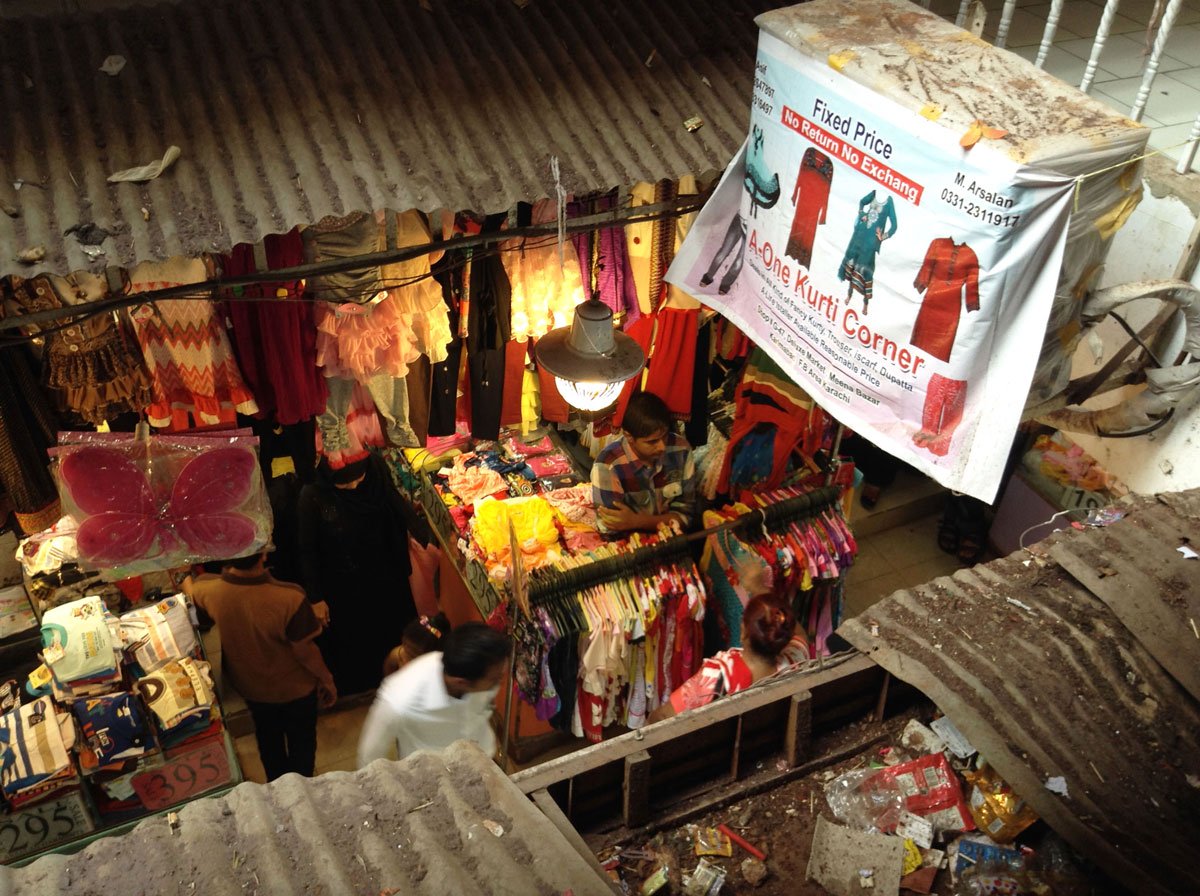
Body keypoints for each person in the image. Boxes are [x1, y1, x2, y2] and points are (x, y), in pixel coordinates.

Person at [185, 552, 336, 781]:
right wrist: (327, 679)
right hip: (295, 688)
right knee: (302, 742)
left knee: (268, 739)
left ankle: (277, 788)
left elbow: (200, 618)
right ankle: (303, 789)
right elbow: (305, 651)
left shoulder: (206, 590)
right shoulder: (289, 597)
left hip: (250, 687)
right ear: (264, 554)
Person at [298, 453, 428, 697]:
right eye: (345, 484)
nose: (355, 487)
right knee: (355, 642)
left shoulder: (375, 468)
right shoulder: (313, 495)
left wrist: (422, 532)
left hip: (386, 573)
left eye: (359, 480)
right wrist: (315, 597)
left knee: (392, 629)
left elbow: (392, 499)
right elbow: (307, 549)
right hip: (344, 583)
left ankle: (396, 681)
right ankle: (360, 689)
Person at [357, 623, 511, 766]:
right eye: (495, 679)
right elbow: (370, 756)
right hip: (436, 774)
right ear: (461, 682)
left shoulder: (477, 668)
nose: (499, 682)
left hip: (482, 757)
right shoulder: (401, 698)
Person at [647, 596, 807, 723]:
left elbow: (664, 716)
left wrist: (649, 721)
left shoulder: (719, 676)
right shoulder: (795, 659)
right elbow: (801, 636)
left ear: (744, 633)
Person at [591, 391, 696, 536]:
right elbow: (611, 528)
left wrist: (637, 521)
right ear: (629, 436)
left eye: (664, 436)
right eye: (652, 441)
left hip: (674, 541)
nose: (662, 447)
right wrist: (659, 522)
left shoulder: (680, 449)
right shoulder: (607, 465)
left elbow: (685, 516)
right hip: (629, 550)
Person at [382, 613, 451, 676]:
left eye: (414, 650)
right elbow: (388, 675)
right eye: (404, 643)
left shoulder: (436, 666)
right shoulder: (398, 654)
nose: (406, 649)